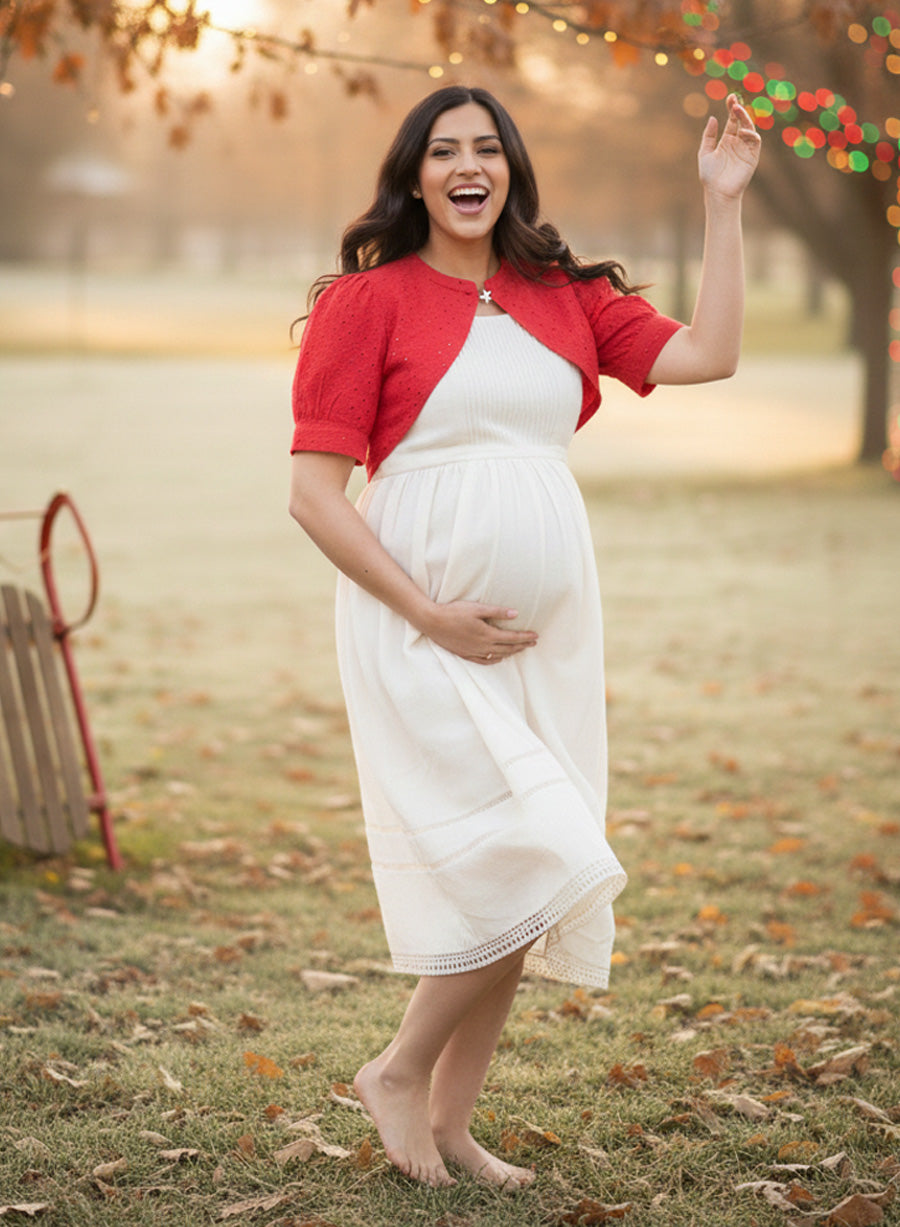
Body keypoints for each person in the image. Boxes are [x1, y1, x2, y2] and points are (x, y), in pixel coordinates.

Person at [288, 84, 761, 1189]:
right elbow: (314, 497)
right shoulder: (367, 305)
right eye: (443, 150)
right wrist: (428, 612)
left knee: (523, 871)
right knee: (541, 850)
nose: (467, 165)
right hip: (421, 624)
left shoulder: (564, 294)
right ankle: (400, 1071)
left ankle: (450, 1122)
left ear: (511, 170)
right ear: (414, 176)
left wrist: (723, 204)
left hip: (548, 634)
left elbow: (712, 357)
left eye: (486, 148)